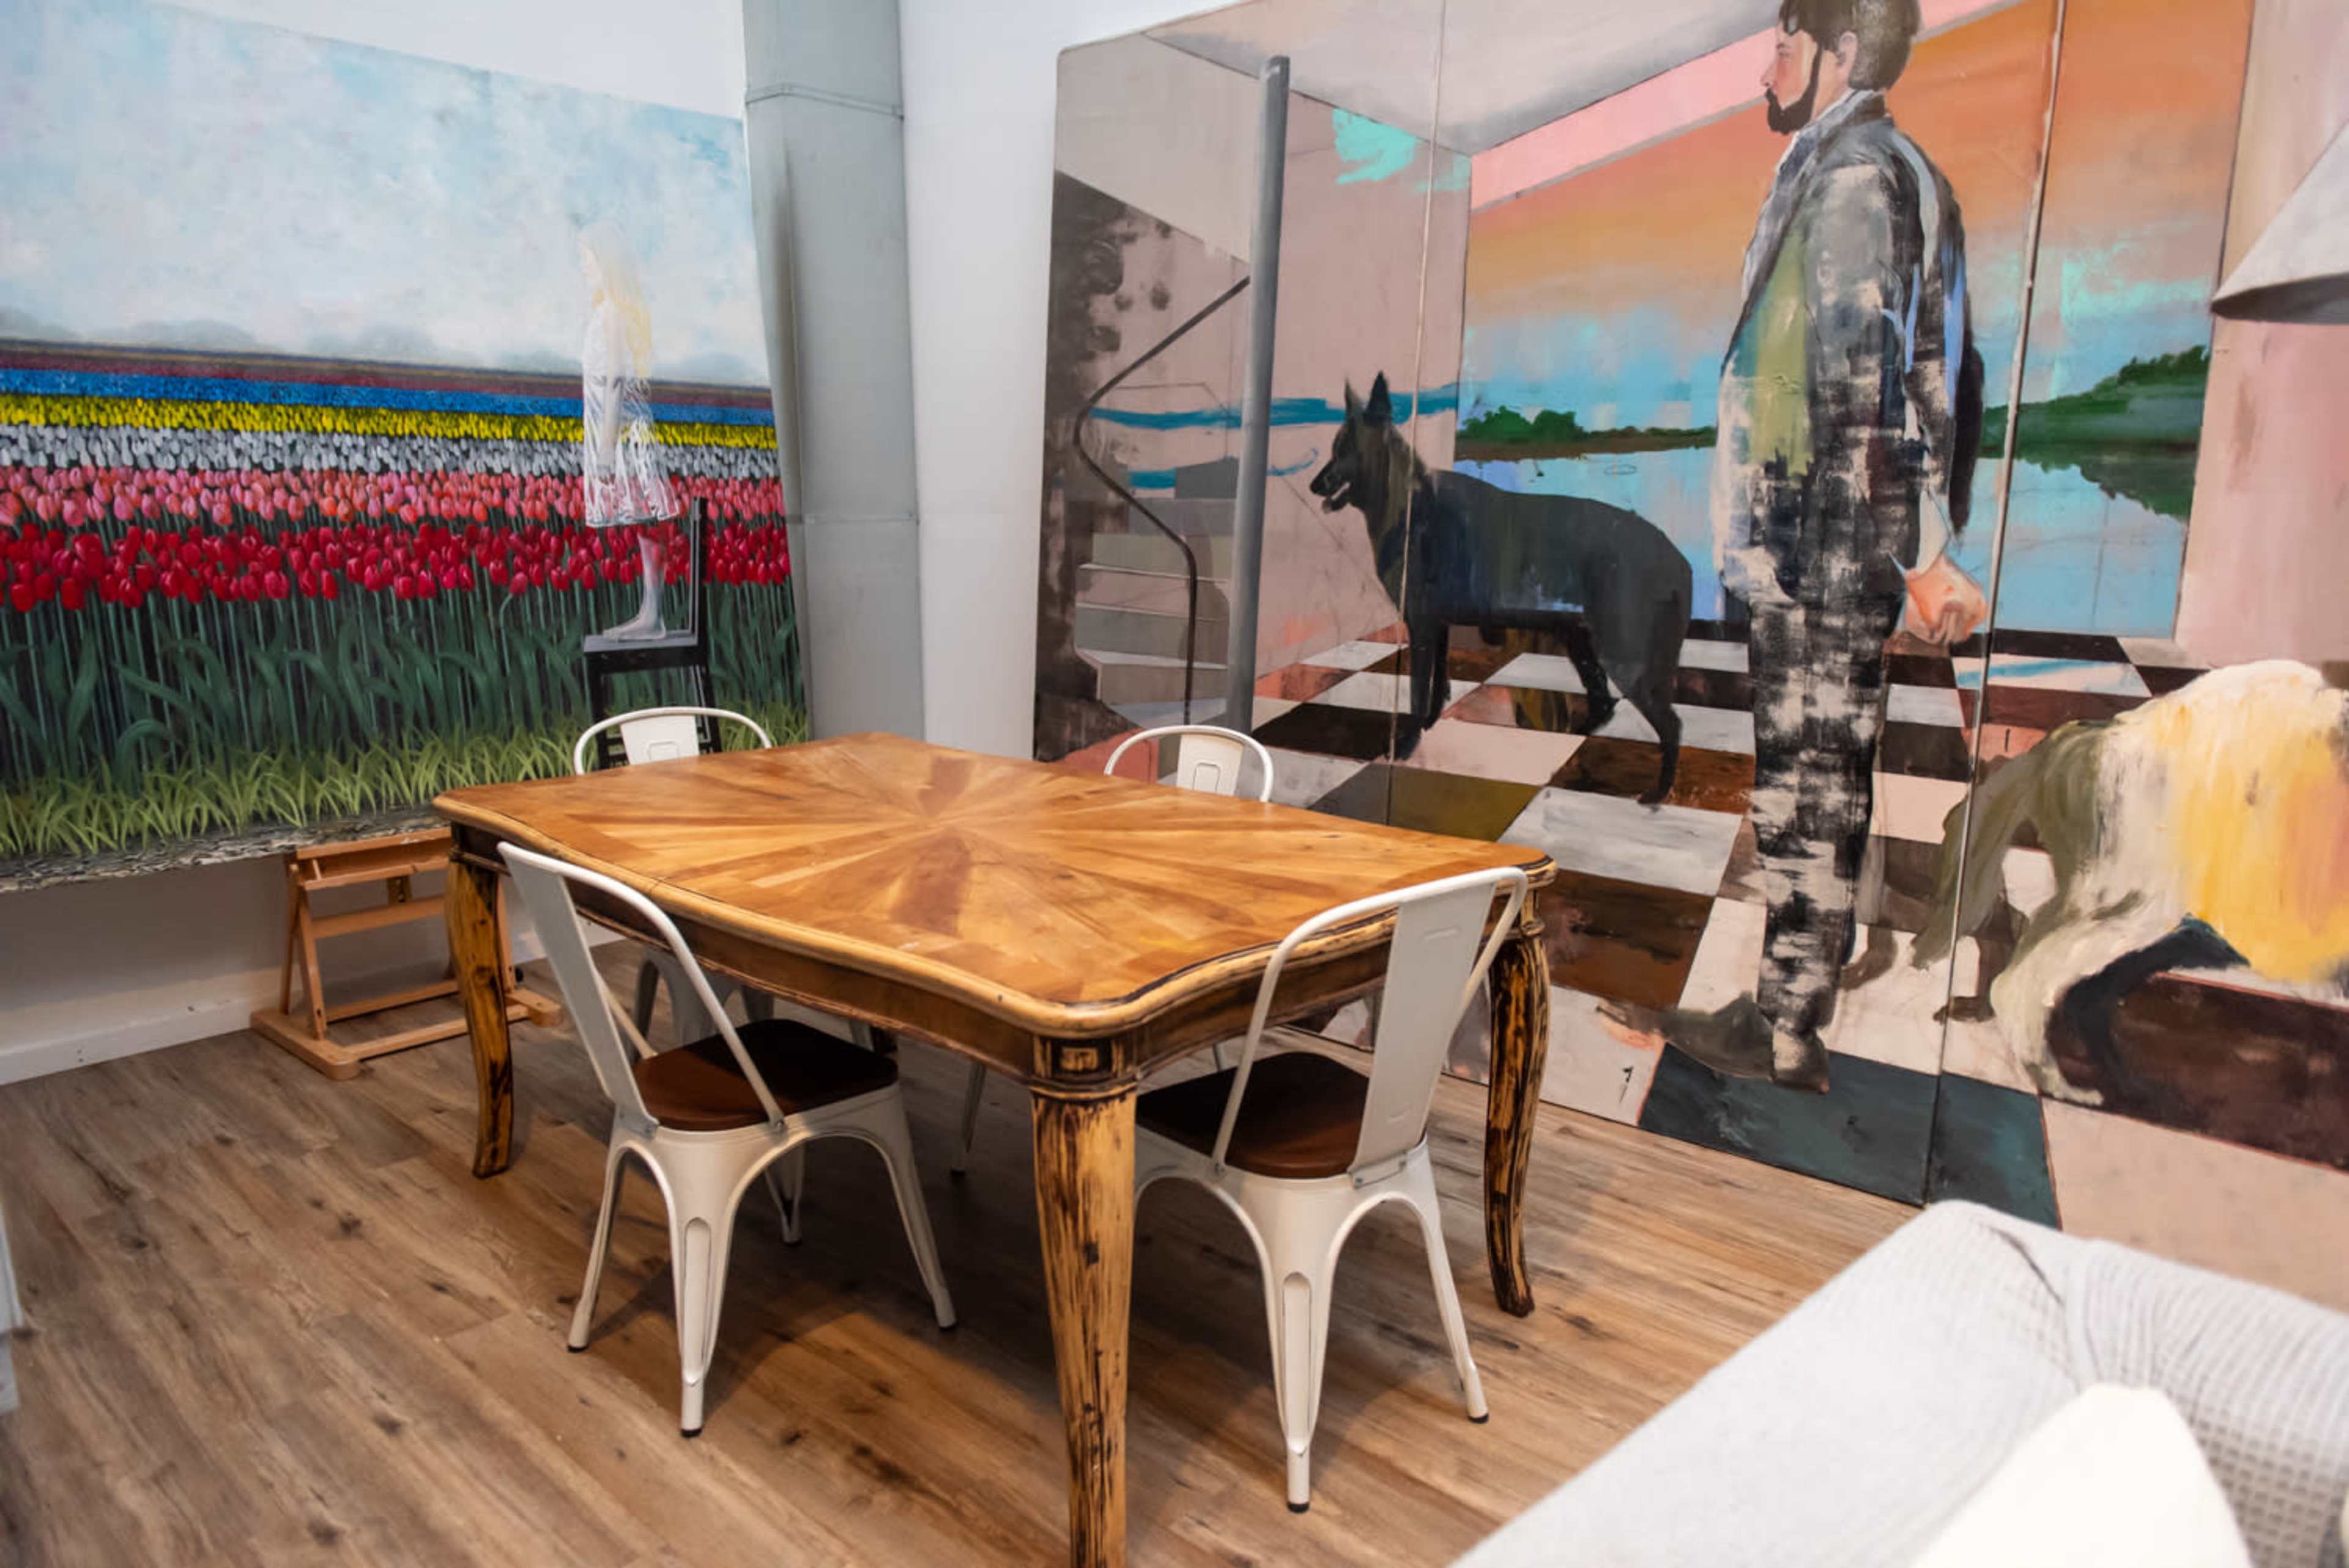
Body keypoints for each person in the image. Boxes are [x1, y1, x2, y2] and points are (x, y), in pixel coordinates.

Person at [1661, 0, 1986, 1090]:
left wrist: (1919, 549)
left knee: (1806, 784)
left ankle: (1786, 1027)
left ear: (1840, 54)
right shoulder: (1878, 167)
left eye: (1787, 42)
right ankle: (1807, 980)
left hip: (1822, 547)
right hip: (1830, 543)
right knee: (1822, 776)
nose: (1768, 64)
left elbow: (1861, 382)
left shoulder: (1854, 179)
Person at [578, 221, 678, 641]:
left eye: (587, 257)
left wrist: (604, 450)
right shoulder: (612, 310)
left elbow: (616, 378)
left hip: (622, 434)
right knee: (642, 522)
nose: (583, 266)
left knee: (643, 518)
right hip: (621, 428)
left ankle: (652, 614)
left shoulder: (613, 312)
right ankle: (650, 612)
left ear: (606, 261)